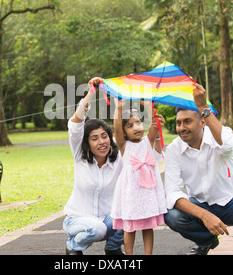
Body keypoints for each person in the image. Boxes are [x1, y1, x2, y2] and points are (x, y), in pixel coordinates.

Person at [163, 83, 233, 255]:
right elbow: (172, 193)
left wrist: (203, 105)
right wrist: (204, 215)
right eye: (178, 123)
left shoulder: (219, 134)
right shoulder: (175, 149)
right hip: (201, 204)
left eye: (187, 121)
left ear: (202, 121)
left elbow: (227, 145)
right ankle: (207, 241)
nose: (181, 128)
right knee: (171, 215)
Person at [63, 77, 124, 255]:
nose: (101, 142)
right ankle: (73, 246)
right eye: (94, 138)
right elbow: (75, 125)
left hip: (106, 219)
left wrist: (118, 106)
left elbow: (120, 131)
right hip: (78, 219)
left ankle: (113, 248)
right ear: (87, 143)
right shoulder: (79, 156)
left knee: (126, 216)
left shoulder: (118, 157)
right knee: (97, 229)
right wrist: (91, 92)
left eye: (104, 136)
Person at [111, 98, 167, 255]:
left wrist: (149, 108)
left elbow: (155, 125)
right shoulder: (123, 145)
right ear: (123, 132)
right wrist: (119, 108)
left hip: (147, 192)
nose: (136, 127)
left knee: (148, 226)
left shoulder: (147, 141)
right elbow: (116, 127)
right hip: (131, 193)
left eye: (138, 123)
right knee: (130, 227)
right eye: (130, 125)